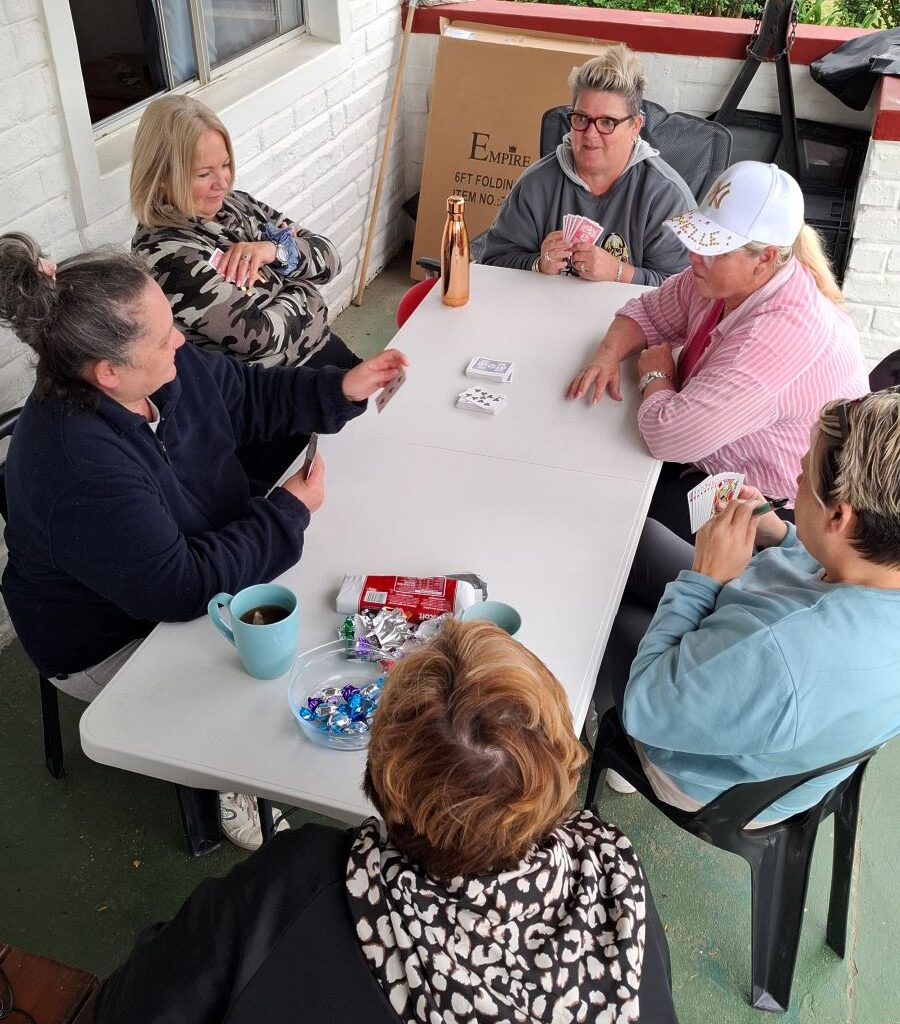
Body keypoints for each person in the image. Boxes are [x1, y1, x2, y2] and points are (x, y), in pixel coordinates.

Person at [0, 234, 406, 847]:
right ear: (108, 373)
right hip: (108, 637)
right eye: (164, 339)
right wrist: (285, 514)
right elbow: (182, 589)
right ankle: (229, 774)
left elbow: (249, 396)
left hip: (194, 556)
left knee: (323, 617)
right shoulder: (76, 464)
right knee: (276, 670)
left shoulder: (156, 368)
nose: (182, 342)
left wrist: (340, 387)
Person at [93, 619, 678, 1023]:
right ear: (559, 771)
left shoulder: (297, 883)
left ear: (383, 777)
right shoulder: (616, 885)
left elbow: (129, 1009)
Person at [596, 390, 900, 821]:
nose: (795, 481)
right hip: (752, 657)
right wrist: (782, 537)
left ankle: (624, 762)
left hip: (699, 774)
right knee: (634, 538)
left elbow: (645, 705)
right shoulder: (879, 562)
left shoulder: (787, 658)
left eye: (804, 476)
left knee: (606, 611)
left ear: (839, 518)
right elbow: (825, 574)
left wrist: (704, 579)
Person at [567, 160, 868, 542]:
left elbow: (669, 438)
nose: (694, 254)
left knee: (597, 522)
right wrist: (608, 353)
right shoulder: (720, 280)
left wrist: (657, 376)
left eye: (715, 248)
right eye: (699, 238)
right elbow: (647, 311)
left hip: (768, 510)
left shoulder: (776, 339)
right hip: (712, 459)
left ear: (765, 257)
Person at [479, 44, 694, 286]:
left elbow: (687, 292)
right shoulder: (537, 183)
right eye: (581, 118)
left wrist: (620, 273)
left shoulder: (665, 195)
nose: (590, 134)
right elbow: (492, 262)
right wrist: (537, 264)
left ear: (635, 125)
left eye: (607, 122)